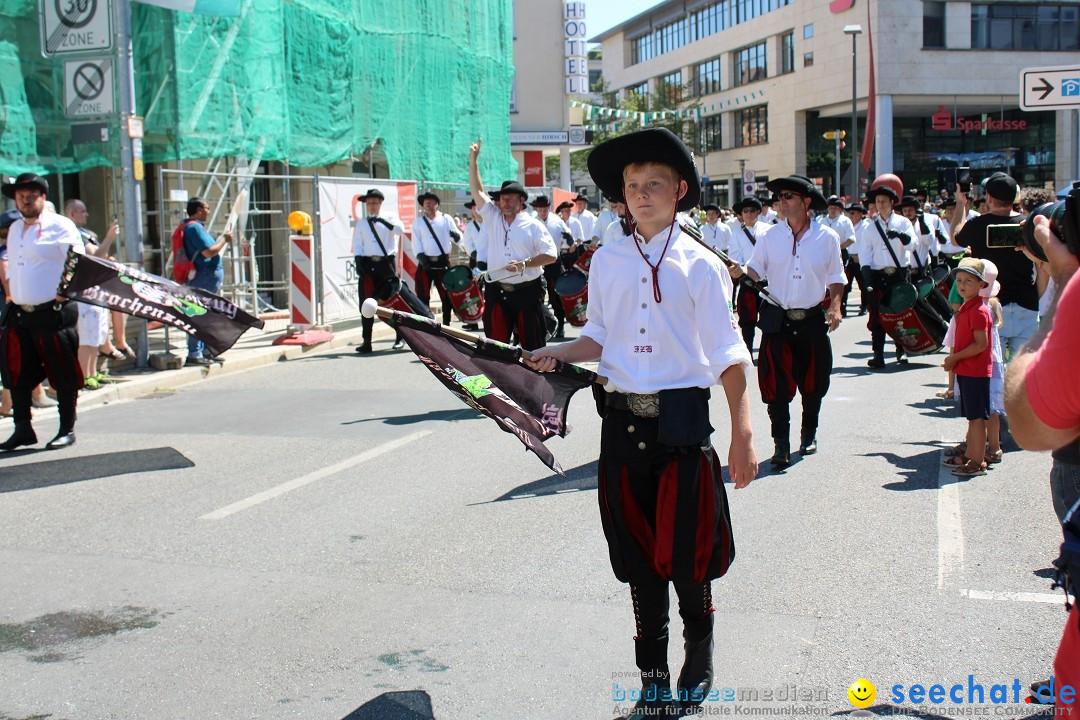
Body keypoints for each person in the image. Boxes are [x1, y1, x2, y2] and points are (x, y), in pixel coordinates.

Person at [524, 127, 756, 719]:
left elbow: (729, 353)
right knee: (638, 560)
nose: (642, 194)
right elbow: (598, 336)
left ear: (679, 191)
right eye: (632, 187)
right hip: (623, 429)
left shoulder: (702, 265)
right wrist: (558, 352)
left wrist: (743, 435)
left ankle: (697, 659)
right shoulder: (607, 259)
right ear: (621, 197)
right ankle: (652, 677)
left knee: (687, 558)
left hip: (683, 430)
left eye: (654, 184)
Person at [730, 175, 845, 467]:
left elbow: (836, 278)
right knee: (775, 386)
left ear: (806, 202)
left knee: (813, 382)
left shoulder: (827, 237)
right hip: (777, 319)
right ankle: (780, 445)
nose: (782, 201)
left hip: (811, 319)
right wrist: (741, 271)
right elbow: (755, 269)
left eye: (789, 196)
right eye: (780, 196)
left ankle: (809, 434)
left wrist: (836, 307)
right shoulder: (770, 236)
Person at [0, 173, 85, 450]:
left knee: (62, 371)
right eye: (21, 195)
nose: (26, 199)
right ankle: (23, 428)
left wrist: (63, 290)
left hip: (54, 311)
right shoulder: (14, 229)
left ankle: (66, 428)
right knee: (16, 371)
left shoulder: (60, 225)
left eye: (31, 195)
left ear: (43, 197)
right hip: (21, 311)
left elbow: (78, 260)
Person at [467, 140, 557, 351]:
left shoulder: (533, 225)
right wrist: (473, 160)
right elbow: (476, 190)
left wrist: (524, 264)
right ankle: (499, 383)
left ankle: (533, 383)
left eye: (509, 199)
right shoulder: (493, 217)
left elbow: (551, 255)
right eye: (502, 199)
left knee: (533, 347)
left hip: (528, 291)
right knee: (495, 347)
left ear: (521, 201)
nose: (504, 202)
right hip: (497, 291)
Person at [952, 173, 1042, 361]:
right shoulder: (1028, 224)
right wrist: (1037, 296)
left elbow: (955, 237)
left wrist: (960, 203)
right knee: (1023, 368)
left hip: (989, 304)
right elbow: (1041, 266)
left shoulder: (977, 224)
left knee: (994, 369)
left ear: (989, 198)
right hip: (1026, 303)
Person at [941, 258, 994, 477]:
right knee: (972, 417)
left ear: (981, 284)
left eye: (969, 281)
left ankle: (977, 461)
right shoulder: (967, 308)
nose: (962, 285)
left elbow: (980, 344)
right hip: (967, 370)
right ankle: (971, 455)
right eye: (959, 281)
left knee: (977, 419)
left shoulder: (978, 311)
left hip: (975, 371)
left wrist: (955, 359)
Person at [860, 181, 916, 368]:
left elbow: (912, 245)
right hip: (878, 275)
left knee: (901, 314)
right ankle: (878, 353)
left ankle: (901, 351)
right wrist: (867, 278)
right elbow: (865, 254)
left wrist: (900, 236)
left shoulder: (903, 222)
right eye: (878, 201)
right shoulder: (870, 227)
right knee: (876, 315)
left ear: (892, 203)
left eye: (884, 201)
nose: (881, 205)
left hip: (899, 274)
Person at [64, 199, 119, 389]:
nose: (87, 215)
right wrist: (110, 237)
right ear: (72, 214)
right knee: (86, 337)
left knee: (97, 334)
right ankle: (83, 376)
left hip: (96, 291)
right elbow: (95, 256)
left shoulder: (87, 233)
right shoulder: (75, 234)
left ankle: (93, 372)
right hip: (84, 292)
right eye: (82, 211)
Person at [351, 188, 406, 353]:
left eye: (374, 202)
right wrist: (359, 261)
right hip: (369, 264)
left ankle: (400, 336)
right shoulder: (362, 222)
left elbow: (400, 231)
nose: (372, 205)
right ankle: (366, 341)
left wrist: (383, 222)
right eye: (369, 203)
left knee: (392, 302)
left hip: (386, 265)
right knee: (366, 303)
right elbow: (358, 244)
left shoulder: (390, 216)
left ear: (380, 202)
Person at [180, 197, 233, 365]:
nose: (209, 211)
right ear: (198, 210)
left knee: (206, 314)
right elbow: (209, 252)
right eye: (206, 208)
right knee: (198, 313)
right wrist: (224, 239)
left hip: (207, 276)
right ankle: (194, 353)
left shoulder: (197, 228)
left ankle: (204, 350)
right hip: (203, 277)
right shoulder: (194, 228)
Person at [728, 197, 771, 353]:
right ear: (741, 214)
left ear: (758, 212)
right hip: (748, 281)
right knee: (747, 320)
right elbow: (734, 257)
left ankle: (768, 352)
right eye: (745, 211)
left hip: (768, 282)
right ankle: (747, 351)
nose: (748, 213)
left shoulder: (769, 230)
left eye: (752, 210)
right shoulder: (736, 234)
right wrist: (745, 271)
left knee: (770, 319)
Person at [413, 192, 459, 326]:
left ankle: (446, 326)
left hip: (443, 263)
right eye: (425, 202)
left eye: (431, 201)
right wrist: (422, 258)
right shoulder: (419, 222)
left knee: (446, 297)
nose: (428, 204)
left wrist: (456, 237)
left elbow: (460, 238)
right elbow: (416, 242)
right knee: (423, 297)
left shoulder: (446, 219)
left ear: (437, 204)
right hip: (425, 263)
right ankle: (426, 326)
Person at [532, 195, 574, 339]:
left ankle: (560, 325)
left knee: (557, 295)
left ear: (549, 208)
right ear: (536, 208)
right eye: (540, 208)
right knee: (537, 297)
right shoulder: (531, 222)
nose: (543, 211)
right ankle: (541, 326)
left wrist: (569, 240)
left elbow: (569, 242)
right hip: (537, 263)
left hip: (554, 262)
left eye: (545, 208)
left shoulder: (557, 221)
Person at [821, 197, 856, 316]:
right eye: (830, 207)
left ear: (840, 209)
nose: (832, 210)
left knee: (839, 279)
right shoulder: (820, 221)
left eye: (835, 208)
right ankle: (823, 305)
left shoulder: (845, 221)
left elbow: (851, 239)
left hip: (841, 253)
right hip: (823, 254)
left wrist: (838, 247)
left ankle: (842, 304)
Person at [845, 203, 870, 315]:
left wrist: (861, 256)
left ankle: (864, 305)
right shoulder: (846, 224)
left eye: (852, 213)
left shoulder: (866, 226)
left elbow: (867, 244)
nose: (850, 215)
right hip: (848, 258)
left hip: (860, 259)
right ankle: (842, 307)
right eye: (849, 213)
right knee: (845, 285)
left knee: (863, 285)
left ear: (860, 214)